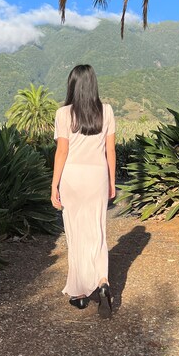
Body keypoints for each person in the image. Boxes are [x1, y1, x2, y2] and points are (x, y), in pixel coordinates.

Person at [51, 64, 116, 318]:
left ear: (72, 85)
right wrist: (111, 182)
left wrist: (54, 184)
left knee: (76, 233)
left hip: (72, 178)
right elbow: (110, 151)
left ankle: (79, 294)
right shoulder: (106, 111)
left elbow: (62, 151)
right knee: (97, 231)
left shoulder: (63, 113)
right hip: (98, 177)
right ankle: (102, 280)